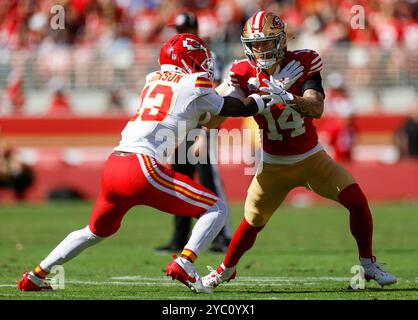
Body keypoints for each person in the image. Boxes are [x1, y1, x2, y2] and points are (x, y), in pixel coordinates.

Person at [17, 33, 276, 293]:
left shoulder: (152, 80)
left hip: (115, 164)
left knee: (93, 231)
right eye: (197, 59)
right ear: (185, 60)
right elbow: (236, 108)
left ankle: (36, 276)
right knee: (217, 208)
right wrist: (262, 99)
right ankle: (185, 261)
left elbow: (198, 111)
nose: (202, 65)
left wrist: (224, 97)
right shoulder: (192, 83)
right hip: (142, 167)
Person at [201, 11, 397, 290]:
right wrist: (216, 98)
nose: (260, 49)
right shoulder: (242, 73)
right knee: (252, 222)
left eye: (267, 42)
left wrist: (287, 96)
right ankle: (224, 271)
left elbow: (316, 108)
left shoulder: (304, 61)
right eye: (255, 44)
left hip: (311, 157)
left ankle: (367, 264)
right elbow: (215, 121)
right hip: (273, 164)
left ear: (281, 41)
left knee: (357, 200)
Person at [155, 12, 231, 254]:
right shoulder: (177, 57)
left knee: (209, 181)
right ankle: (179, 238)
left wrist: (203, 132)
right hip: (183, 128)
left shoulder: (208, 55)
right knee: (179, 182)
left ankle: (222, 236)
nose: (175, 34)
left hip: (201, 126)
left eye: (179, 29)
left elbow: (215, 94)